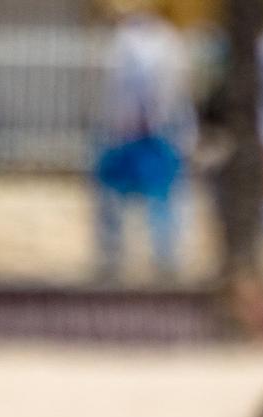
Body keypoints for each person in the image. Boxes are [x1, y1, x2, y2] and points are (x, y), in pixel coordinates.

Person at [93, 0, 197, 279]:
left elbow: (170, 90)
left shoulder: (165, 40)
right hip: (123, 133)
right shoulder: (122, 39)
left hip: (155, 134)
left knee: (161, 199)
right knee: (113, 197)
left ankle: (165, 260)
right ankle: (113, 259)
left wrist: (152, 119)